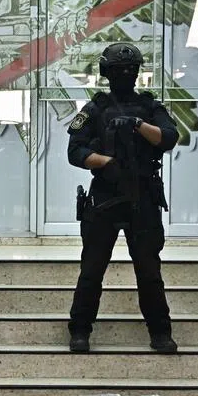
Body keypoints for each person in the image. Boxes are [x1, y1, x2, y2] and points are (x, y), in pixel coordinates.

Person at [66, 42, 178, 354]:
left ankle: (160, 332)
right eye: (118, 71)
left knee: (149, 271)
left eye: (130, 70)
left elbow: (169, 137)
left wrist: (138, 125)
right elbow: (75, 151)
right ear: (107, 73)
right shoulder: (96, 108)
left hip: (142, 196)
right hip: (105, 195)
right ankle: (79, 331)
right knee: (92, 270)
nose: (125, 75)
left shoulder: (150, 107)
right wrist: (105, 163)